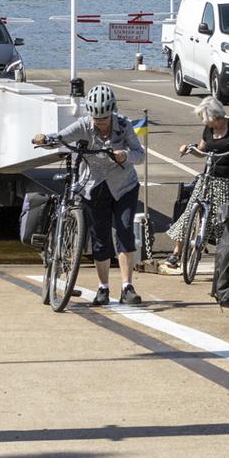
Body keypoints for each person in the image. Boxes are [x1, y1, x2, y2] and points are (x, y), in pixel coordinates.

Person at [32, 84, 145, 307]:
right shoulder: (84, 125)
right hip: (94, 187)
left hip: (124, 186)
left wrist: (125, 155)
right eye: (96, 118)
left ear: (112, 112)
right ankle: (103, 288)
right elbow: (61, 137)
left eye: (104, 118)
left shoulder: (124, 125)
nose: (100, 123)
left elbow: (140, 154)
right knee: (100, 237)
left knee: (124, 231)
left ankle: (127, 287)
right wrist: (44, 139)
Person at [169, 96, 229, 262]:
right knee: (190, 211)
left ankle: (227, 258)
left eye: (204, 117)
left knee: (225, 221)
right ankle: (176, 252)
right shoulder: (208, 129)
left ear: (214, 116)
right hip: (209, 177)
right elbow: (201, 151)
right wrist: (189, 149)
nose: (203, 121)